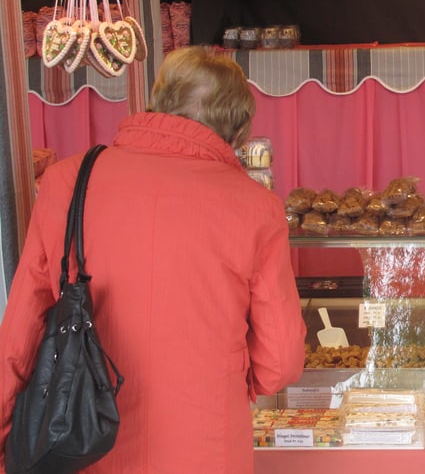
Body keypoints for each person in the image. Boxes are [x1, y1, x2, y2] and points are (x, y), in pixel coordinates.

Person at [0, 46, 306, 473]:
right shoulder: (256, 207)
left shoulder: (67, 182)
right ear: (237, 133)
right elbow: (280, 363)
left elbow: (22, 328)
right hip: (207, 445)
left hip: (81, 439)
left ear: (160, 103)